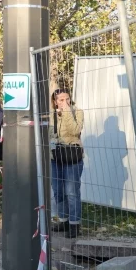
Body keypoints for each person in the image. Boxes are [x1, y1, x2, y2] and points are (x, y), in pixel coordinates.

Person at [49, 88, 84, 238]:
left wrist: (67, 112)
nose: (65, 102)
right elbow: (49, 134)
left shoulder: (78, 112)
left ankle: (74, 224)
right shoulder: (52, 115)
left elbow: (74, 131)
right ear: (55, 102)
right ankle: (63, 220)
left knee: (72, 191)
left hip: (72, 156)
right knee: (58, 190)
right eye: (61, 100)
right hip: (55, 156)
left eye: (67, 99)